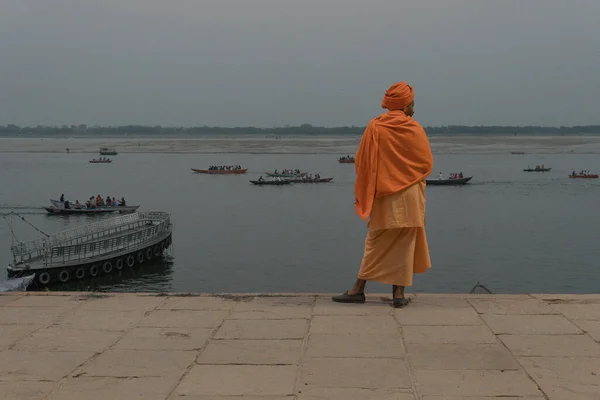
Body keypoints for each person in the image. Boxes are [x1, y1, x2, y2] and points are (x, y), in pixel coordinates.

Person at [332, 82, 433, 308]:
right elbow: (425, 163)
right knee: (404, 244)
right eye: (412, 104)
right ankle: (398, 295)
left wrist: (373, 184)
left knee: (375, 242)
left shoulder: (375, 127)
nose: (414, 108)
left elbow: (362, 162)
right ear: (406, 105)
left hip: (385, 195)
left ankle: (358, 289)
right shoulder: (413, 128)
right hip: (409, 196)